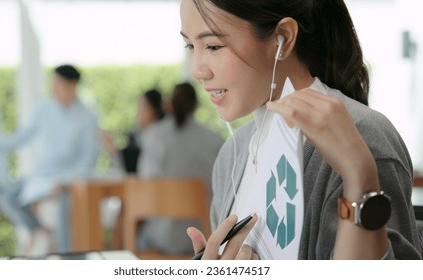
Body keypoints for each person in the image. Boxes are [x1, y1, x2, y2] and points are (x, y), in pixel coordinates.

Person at [180, 0, 421, 259]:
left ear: (282, 38)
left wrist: (359, 176)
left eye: (214, 46)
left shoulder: (362, 136)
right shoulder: (233, 153)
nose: (197, 70)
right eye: (190, 45)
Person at [0, 64, 100, 256]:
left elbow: (88, 159)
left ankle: (70, 260)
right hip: (40, 176)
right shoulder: (45, 108)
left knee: (66, 208)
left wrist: (65, 181)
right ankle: (37, 229)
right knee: (6, 196)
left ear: (72, 85)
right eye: (53, 85)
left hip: (63, 180)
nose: (54, 90)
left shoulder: (87, 117)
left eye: (59, 85)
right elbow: (22, 136)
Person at [136, 82, 224, 255]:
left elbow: (144, 183)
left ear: (168, 105)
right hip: (203, 238)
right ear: (196, 106)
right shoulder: (214, 140)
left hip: (160, 237)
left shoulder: (154, 136)